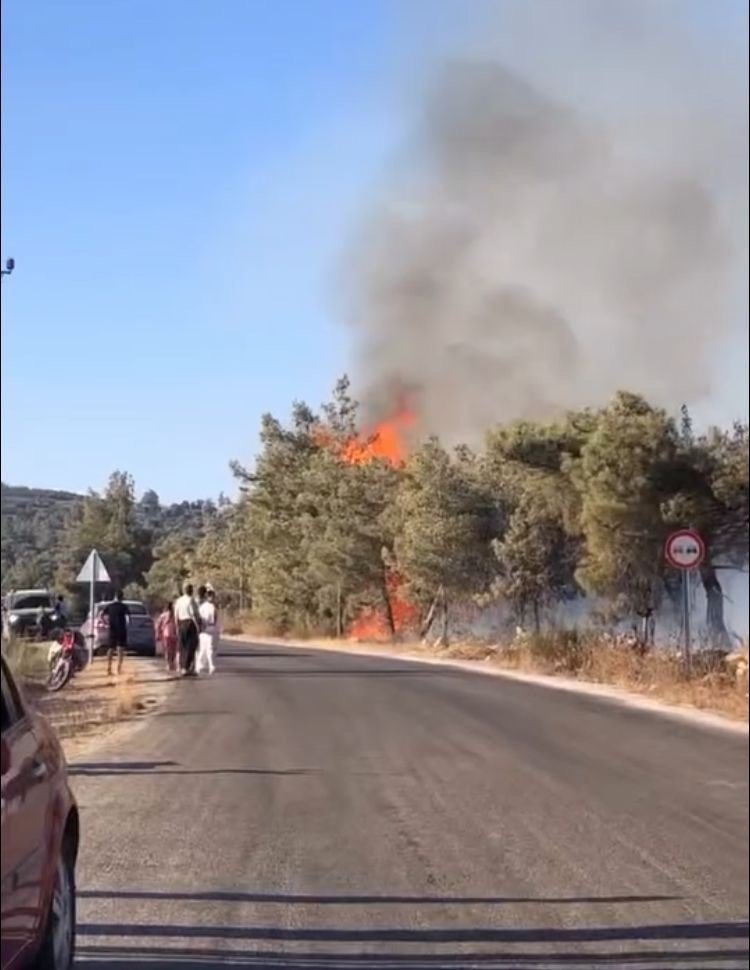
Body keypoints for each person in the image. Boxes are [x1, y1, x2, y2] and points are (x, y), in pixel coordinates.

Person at [174, 583, 200, 675]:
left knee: (182, 646)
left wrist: (177, 626)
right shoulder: (191, 600)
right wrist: (197, 626)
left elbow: (176, 614)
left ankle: (182, 667)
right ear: (191, 590)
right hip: (190, 623)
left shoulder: (179, 601)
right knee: (191, 646)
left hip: (181, 623)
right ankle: (186, 667)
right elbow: (193, 614)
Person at [104, 590, 130, 676]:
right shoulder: (124, 607)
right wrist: (127, 626)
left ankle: (108, 668)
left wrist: (106, 623)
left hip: (112, 630)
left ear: (115, 596)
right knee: (120, 650)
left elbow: (102, 615)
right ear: (122, 597)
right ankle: (118, 669)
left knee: (110, 649)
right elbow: (128, 618)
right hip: (121, 630)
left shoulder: (109, 606)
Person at [196, 588, 219, 675]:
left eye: (213, 596)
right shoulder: (203, 607)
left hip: (212, 628)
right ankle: (203, 666)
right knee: (204, 649)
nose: (212, 598)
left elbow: (216, 619)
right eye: (210, 596)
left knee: (211, 648)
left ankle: (208, 665)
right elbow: (200, 618)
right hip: (205, 629)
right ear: (207, 597)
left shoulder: (214, 606)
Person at [156, 602, 178, 672]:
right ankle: (171, 664)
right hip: (173, 634)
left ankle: (169, 664)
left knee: (168, 650)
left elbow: (158, 625)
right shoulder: (174, 615)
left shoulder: (164, 615)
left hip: (166, 634)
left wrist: (158, 633)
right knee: (173, 650)